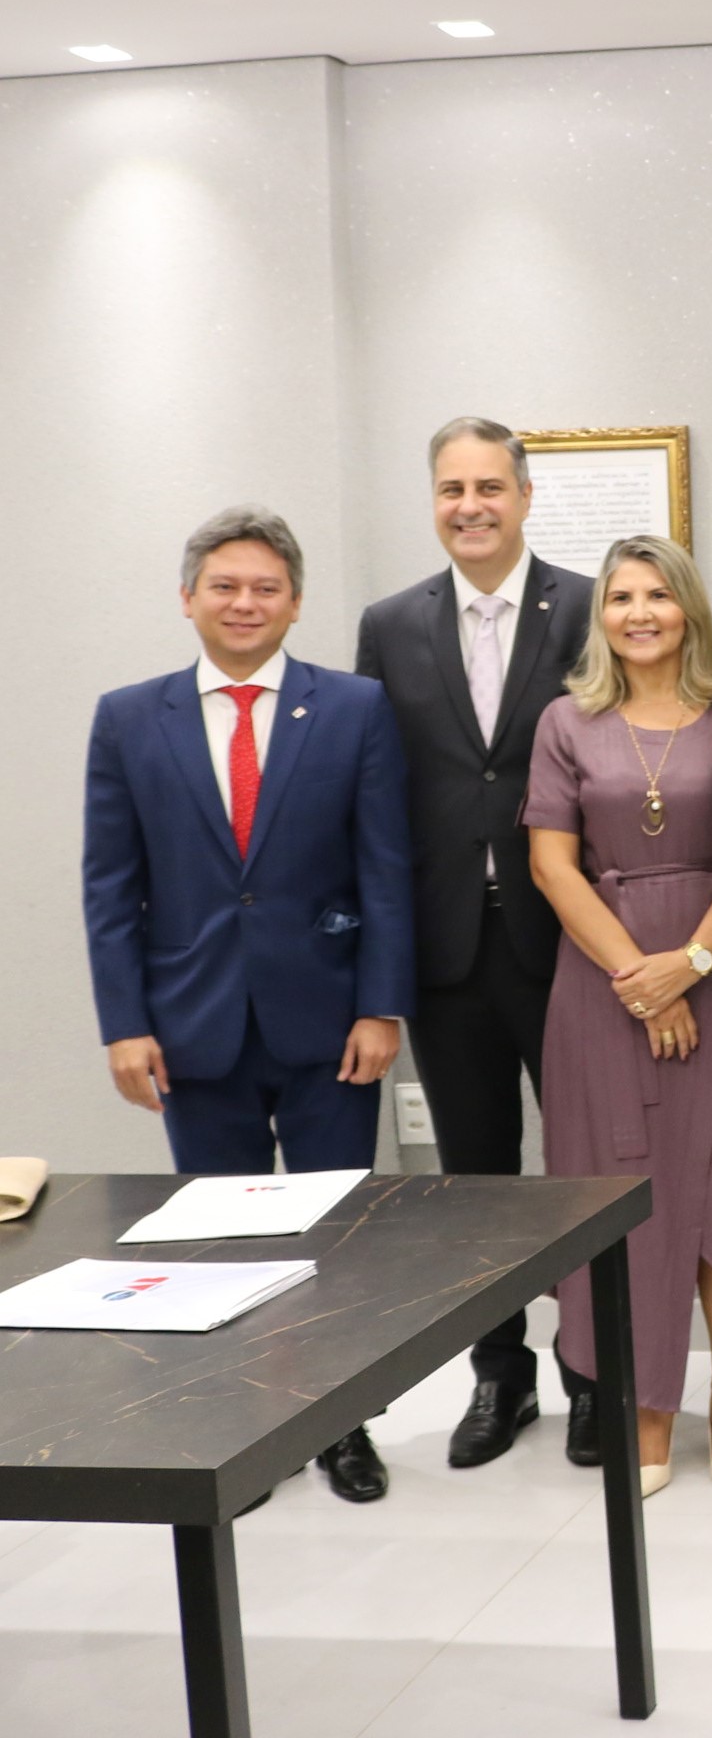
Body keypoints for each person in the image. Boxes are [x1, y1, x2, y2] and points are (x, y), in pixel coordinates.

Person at [83, 506, 412, 1504]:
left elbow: (385, 868)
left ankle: (344, 1426)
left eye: (266, 587)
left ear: (295, 603)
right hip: (191, 1027)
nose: (244, 603)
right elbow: (110, 887)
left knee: (333, 1236)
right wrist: (124, 1024)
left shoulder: (352, 707)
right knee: (218, 1244)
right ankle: (241, 1428)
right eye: (224, 586)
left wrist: (382, 1006)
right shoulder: (129, 717)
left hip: (330, 1023)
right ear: (188, 597)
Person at [526, 536, 712, 1497]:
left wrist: (688, 967)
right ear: (600, 617)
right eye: (620, 598)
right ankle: (647, 1401)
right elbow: (551, 866)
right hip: (601, 985)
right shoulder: (566, 722)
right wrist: (639, 982)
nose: (639, 613)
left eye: (657, 595)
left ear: (688, 609)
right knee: (626, 1199)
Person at [354, 416, 600, 1471]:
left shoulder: (589, 605)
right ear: (434, 501)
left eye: (490, 487)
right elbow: (374, 795)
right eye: (452, 489)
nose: (471, 506)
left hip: (569, 938)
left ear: (525, 496)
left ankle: (594, 1375)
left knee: (582, 1170)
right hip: (446, 948)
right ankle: (501, 1376)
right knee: (474, 1179)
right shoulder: (389, 624)